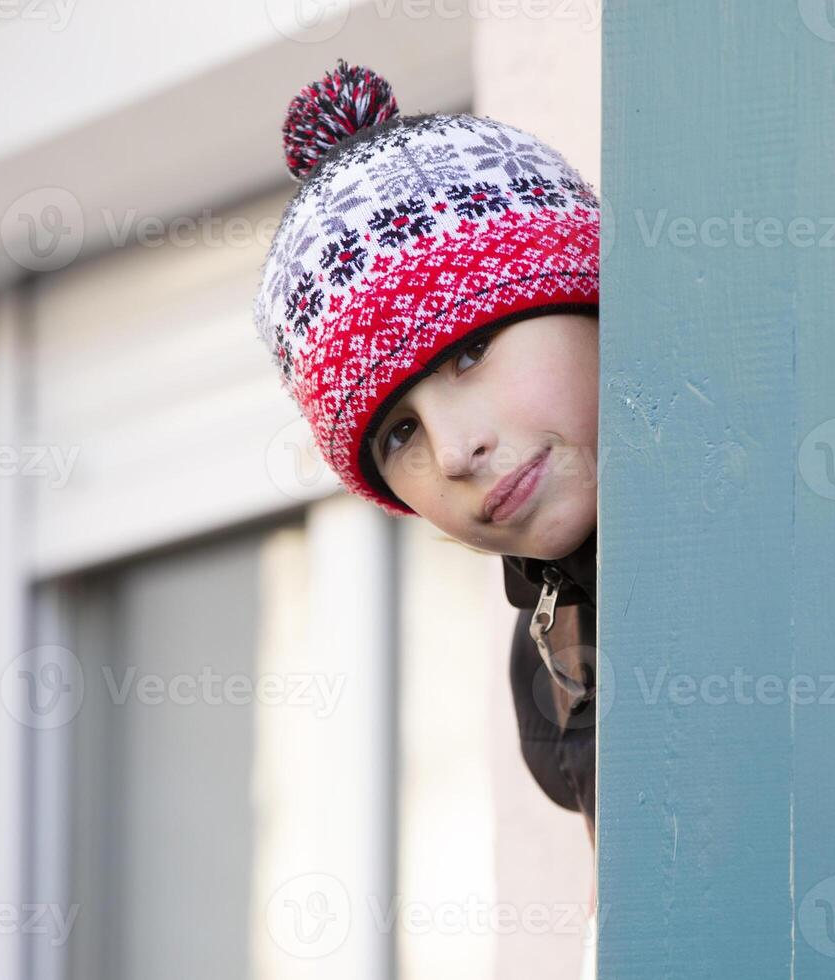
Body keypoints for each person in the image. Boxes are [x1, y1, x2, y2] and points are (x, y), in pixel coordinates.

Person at [251, 60, 600, 975]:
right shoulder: (549, 636)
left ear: (590, 295)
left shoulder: (765, 512)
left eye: (471, 348)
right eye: (398, 431)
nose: (452, 454)